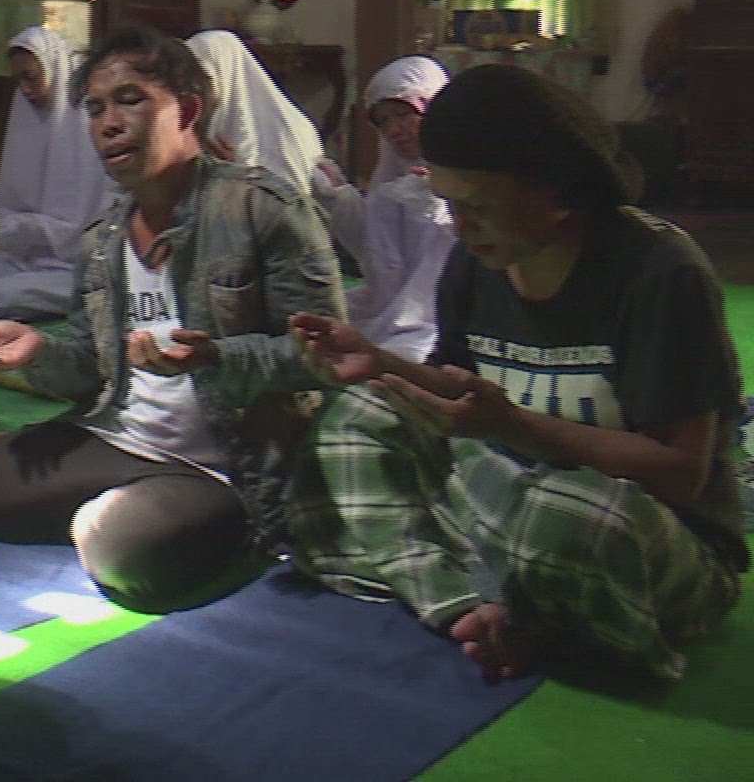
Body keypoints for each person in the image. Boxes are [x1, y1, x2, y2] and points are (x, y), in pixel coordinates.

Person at [287, 63, 747, 684]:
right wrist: (381, 362)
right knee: (355, 418)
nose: (458, 225)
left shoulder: (659, 273)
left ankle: (511, 606)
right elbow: (463, 392)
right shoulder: (478, 261)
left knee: (567, 519)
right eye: (449, 203)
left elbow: (681, 474)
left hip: (646, 530)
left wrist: (514, 426)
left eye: (478, 206)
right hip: (509, 484)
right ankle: (474, 607)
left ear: (558, 193)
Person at [0, 23, 345, 614]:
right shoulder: (104, 238)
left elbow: (321, 359)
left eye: (130, 100)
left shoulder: (262, 209)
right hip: (119, 436)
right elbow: (91, 369)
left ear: (188, 109)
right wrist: (37, 351)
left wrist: (216, 357)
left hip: (225, 461)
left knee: (123, 554)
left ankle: (224, 525)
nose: (108, 124)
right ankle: (138, 510)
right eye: (95, 109)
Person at [0, 26, 119, 321]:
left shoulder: (88, 131)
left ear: (54, 70)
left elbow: (87, 226)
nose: (25, 90)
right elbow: (12, 208)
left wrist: (37, 229)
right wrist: (19, 230)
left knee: (5, 297)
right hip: (28, 258)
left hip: (77, 264)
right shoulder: (27, 120)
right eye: (19, 80)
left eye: (31, 77)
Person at [312, 54, 454, 362]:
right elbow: (377, 254)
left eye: (403, 115)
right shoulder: (393, 175)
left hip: (441, 311)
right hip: (390, 304)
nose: (394, 130)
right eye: (383, 121)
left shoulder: (466, 172)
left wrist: (440, 200)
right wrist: (340, 197)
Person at [184, 29, 329, 197]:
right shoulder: (202, 123)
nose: (195, 88)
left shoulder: (289, 131)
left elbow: (291, 200)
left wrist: (233, 174)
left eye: (203, 77)